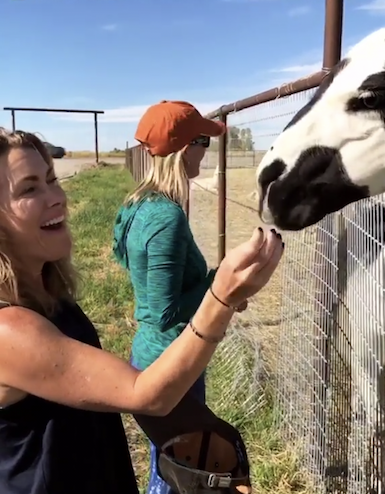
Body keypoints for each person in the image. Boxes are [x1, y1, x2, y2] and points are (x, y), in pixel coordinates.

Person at [0, 127, 283, 494]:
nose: (57, 197)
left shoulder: (49, 298)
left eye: (52, 180)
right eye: (29, 188)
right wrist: (220, 297)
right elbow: (148, 391)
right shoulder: (10, 329)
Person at [112, 100, 248, 494]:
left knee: (170, 467)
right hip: (172, 363)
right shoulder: (166, 217)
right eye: (202, 140)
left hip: (155, 356)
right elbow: (164, 310)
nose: (206, 149)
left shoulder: (138, 205)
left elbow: (132, 266)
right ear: (183, 149)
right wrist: (221, 287)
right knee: (182, 474)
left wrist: (213, 288)